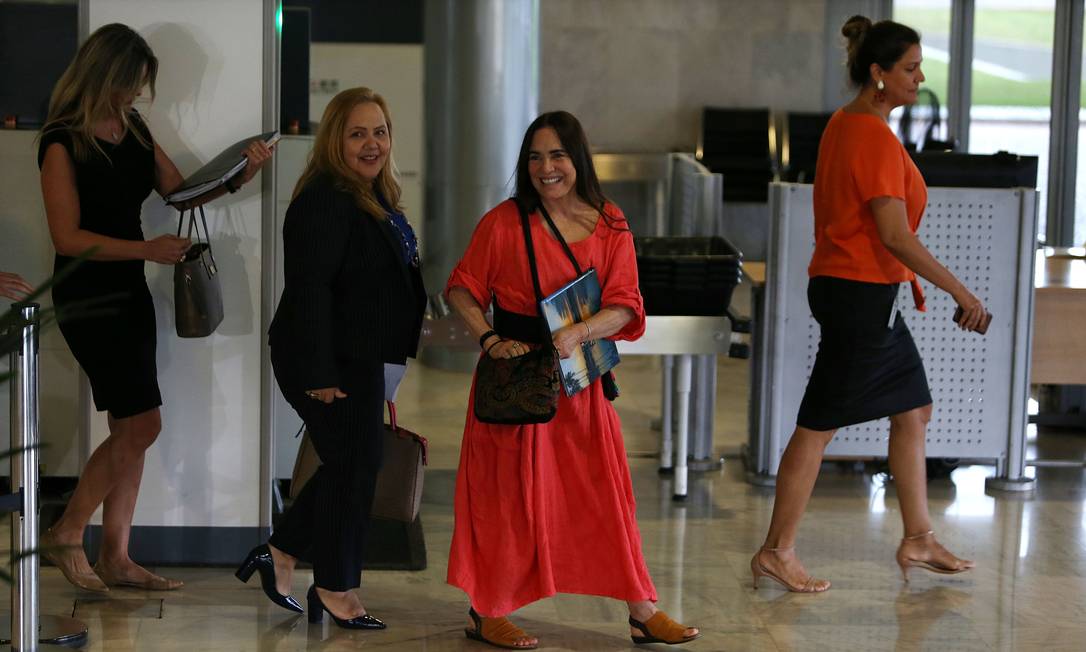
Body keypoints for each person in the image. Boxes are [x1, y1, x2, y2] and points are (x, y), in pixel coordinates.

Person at [445, 111, 700, 649]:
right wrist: (490, 339)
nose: (546, 168)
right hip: (518, 387)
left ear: (577, 159)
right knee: (507, 501)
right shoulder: (503, 223)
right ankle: (486, 610)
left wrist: (580, 332)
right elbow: (462, 289)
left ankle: (641, 610)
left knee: (604, 497)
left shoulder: (610, 223)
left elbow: (627, 306)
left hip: (581, 386)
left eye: (557, 155)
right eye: (535, 157)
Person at [750, 15, 985, 594]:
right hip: (858, 296)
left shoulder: (848, 122)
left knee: (913, 412)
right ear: (877, 74)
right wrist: (960, 289)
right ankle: (776, 551)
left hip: (861, 293)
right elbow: (895, 235)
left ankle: (919, 538)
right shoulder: (872, 135)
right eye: (909, 69)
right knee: (817, 426)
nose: (919, 77)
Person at [37, 23, 273, 593]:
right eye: (131, 84)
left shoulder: (135, 129)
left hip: (129, 295)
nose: (137, 96)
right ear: (106, 74)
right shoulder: (60, 140)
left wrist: (242, 174)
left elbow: (180, 193)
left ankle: (117, 555)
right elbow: (67, 238)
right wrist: (146, 249)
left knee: (129, 426)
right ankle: (68, 532)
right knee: (143, 425)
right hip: (87, 296)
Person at [235, 86, 426, 626]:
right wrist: (320, 373)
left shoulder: (375, 194)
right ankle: (335, 586)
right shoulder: (326, 197)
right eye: (357, 133)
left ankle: (286, 555)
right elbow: (310, 290)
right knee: (355, 464)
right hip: (324, 359)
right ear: (334, 141)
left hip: (363, 356)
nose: (372, 143)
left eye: (380, 131)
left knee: (355, 463)